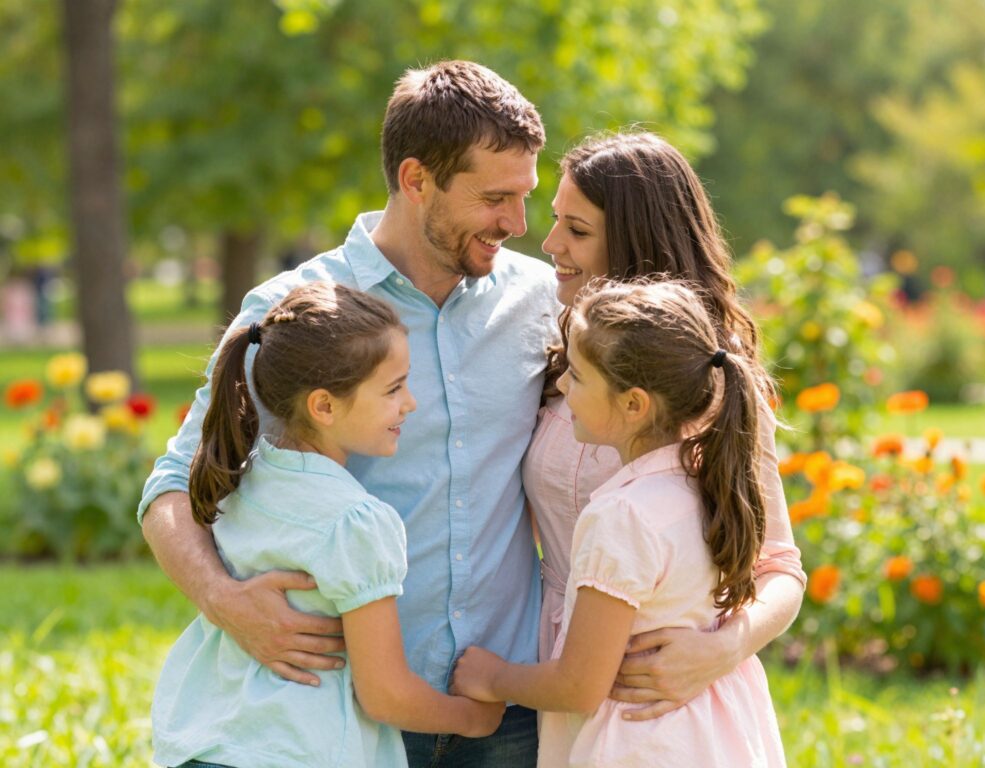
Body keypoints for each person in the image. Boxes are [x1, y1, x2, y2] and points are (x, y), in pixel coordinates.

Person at [139, 61, 556, 766]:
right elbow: (172, 483)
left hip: (504, 705)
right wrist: (222, 599)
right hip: (347, 718)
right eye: (494, 198)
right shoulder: (296, 311)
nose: (517, 223)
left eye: (525, 196)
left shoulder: (544, 300)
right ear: (417, 179)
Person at [152, 282, 505, 768]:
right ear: (324, 406)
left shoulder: (239, 476)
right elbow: (384, 695)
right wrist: (472, 718)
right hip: (300, 750)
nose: (411, 404)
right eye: (393, 388)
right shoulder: (357, 523)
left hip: (208, 740)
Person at [526, 132, 806, 718]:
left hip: (662, 694)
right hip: (553, 668)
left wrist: (721, 650)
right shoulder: (560, 356)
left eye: (577, 231)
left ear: (634, 241)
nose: (551, 244)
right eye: (555, 221)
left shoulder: (708, 377)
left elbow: (779, 567)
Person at [452, 280, 788, 767]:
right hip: (715, 734)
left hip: (637, 743)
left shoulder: (621, 516)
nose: (562, 387)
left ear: (633, 404)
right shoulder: (706, 484)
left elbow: (579, 685)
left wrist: (492, 677)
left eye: (579, 377)